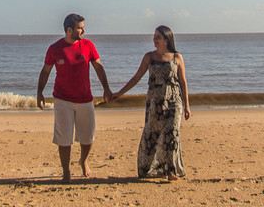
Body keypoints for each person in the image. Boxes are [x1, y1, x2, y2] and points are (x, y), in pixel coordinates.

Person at [36, 13, 113, 183]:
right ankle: (66, 171)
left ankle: (83, 161)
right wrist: (39, 92)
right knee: (64, 139)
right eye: (80, 27)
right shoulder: (55, 48)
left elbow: (98, 67)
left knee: (87, 138)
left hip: (85, 99)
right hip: (62, 100)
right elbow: (45, 71)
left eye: (83, 27)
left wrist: (106, 88)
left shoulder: (88, 45)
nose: (83, 30)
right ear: (69, 29)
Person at [110, 25, 191, 180]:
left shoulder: (177, 57)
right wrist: (120, 93)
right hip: (155, 101)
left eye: (158, 37)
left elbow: (183, 82)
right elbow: (136, 78)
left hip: (174, 100)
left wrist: (187, 105)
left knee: (172, 133)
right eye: (154, 37)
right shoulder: (149, 57)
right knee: (152, 134)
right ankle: (147, 167)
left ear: (166, 40)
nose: (154, 40)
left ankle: (171, 171)